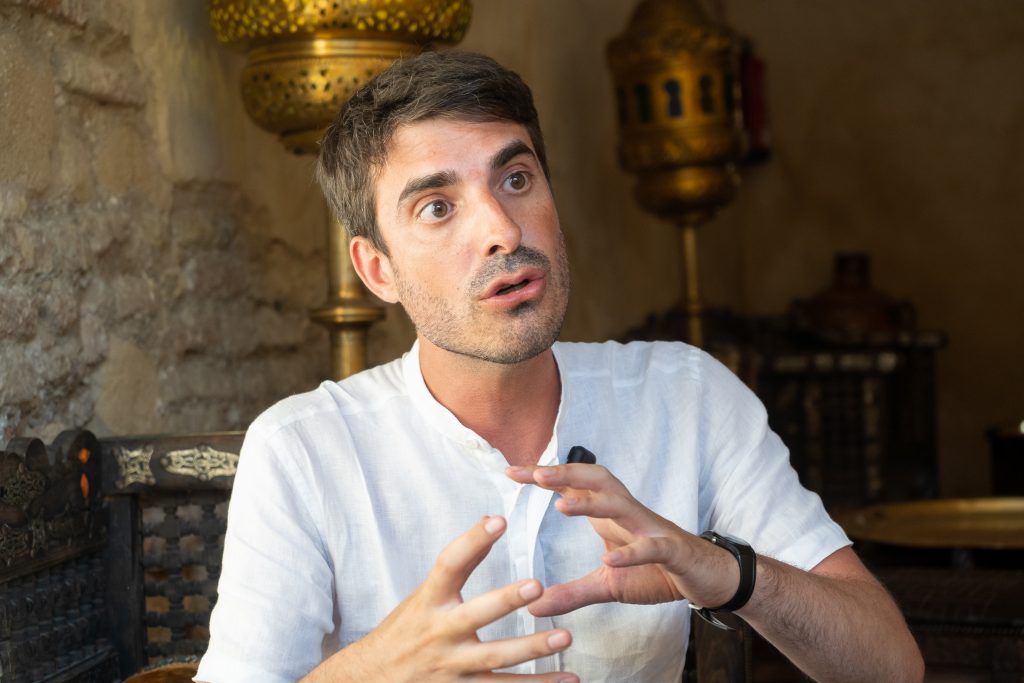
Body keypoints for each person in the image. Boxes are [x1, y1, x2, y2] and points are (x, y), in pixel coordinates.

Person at [196, 51, 923, 683]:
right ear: (377, 269)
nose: (502, 230)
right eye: (438, 207)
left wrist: (726, 572)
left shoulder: (687, 396)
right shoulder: (302, 449)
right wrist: (372, 671)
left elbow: (893, 667)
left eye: (516, 179)